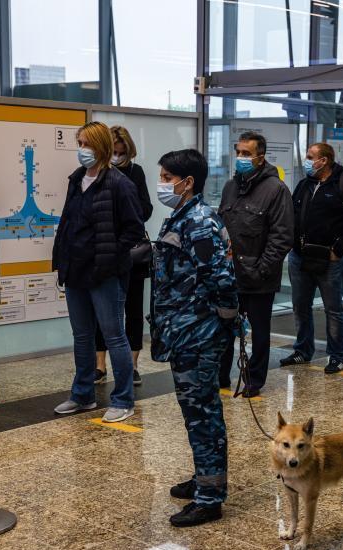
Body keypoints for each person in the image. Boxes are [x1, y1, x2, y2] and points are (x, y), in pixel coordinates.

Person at [150, 149, 239, 527]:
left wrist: (223, 326)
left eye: (167, 177)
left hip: (198, 333)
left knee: (203, 415)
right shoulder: (183, 215)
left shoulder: (199, 221)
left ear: (187, 183)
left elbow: (221, 279)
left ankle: (210, 498)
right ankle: (204, 476)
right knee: (195, 413)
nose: (162, 184)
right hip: (183, 330)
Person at [51, 122, 144, 423]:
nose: (82, 149)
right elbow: (67, 222)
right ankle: (82, 395)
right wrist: (60, 259)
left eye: (87, 144)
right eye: (79, 143)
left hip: (106, 273)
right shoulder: (76, 179)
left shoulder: (119, 183)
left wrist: (110, 255)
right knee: (82, 337)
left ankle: (123, 400)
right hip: (75, 270)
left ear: (101, 146)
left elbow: (134, 229)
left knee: (114, 336)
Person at [217, 131, 293, 397]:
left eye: (246, 153)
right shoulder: (230, 187)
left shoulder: (276, 190)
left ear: (260, 157)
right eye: (238, 152)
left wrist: (261, 270)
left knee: (259, 333)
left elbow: (282, 237)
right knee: (224, 328)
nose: (241, 157)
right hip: (230, 275)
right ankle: (221, 376)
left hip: (259, 278)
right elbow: (221, 227)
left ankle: (254, 380)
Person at [282, 143, 343, 373]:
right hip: (300, 257)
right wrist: (292, 245)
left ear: (324, 160)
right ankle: (302, 351)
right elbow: (292, 215)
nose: (307, 161)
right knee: (300, 306)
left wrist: (338, 250)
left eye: (311, 157)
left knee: (333, 309)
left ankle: (336, 356)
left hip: (329, 260)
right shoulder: (304, 185)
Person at [94, 125, 153, 386]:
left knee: (133, 309)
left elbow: (146, 209)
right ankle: (100, 365)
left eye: (122, 153)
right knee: (102, 308)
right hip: (104, 250)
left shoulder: (135, 172)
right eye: (114, 152)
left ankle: (133, 364)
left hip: (131, 251)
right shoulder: (96, 172)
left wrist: (126, 206)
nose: (117, 157)